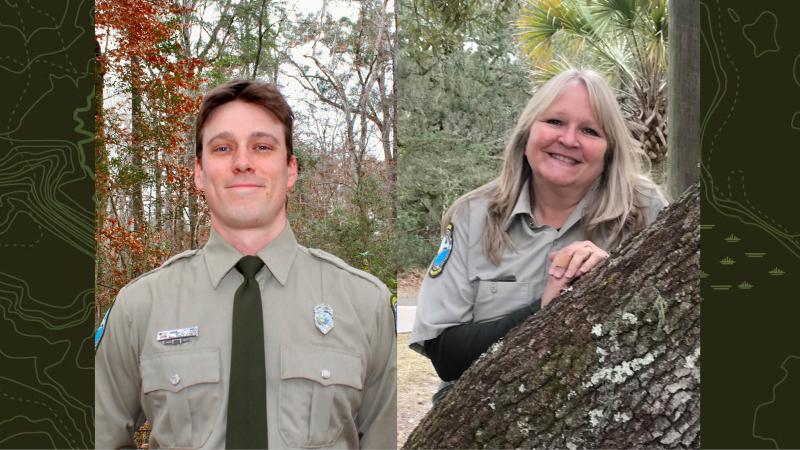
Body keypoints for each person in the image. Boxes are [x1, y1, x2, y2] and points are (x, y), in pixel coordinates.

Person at [95, 80, 396, 449]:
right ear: (199, 172)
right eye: (223, 148)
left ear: (290, 170)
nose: (242, 162)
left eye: (262, 147)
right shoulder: (140, 308)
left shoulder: (365, 305)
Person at [410, 68, 667, 400]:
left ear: (609, 151)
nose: (569, 140)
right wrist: (541, 310)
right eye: (555, 122)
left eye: (589, 130)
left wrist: (614, 285)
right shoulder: (472, 216)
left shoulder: (645, 211)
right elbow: (446, 356)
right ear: (526, 134)